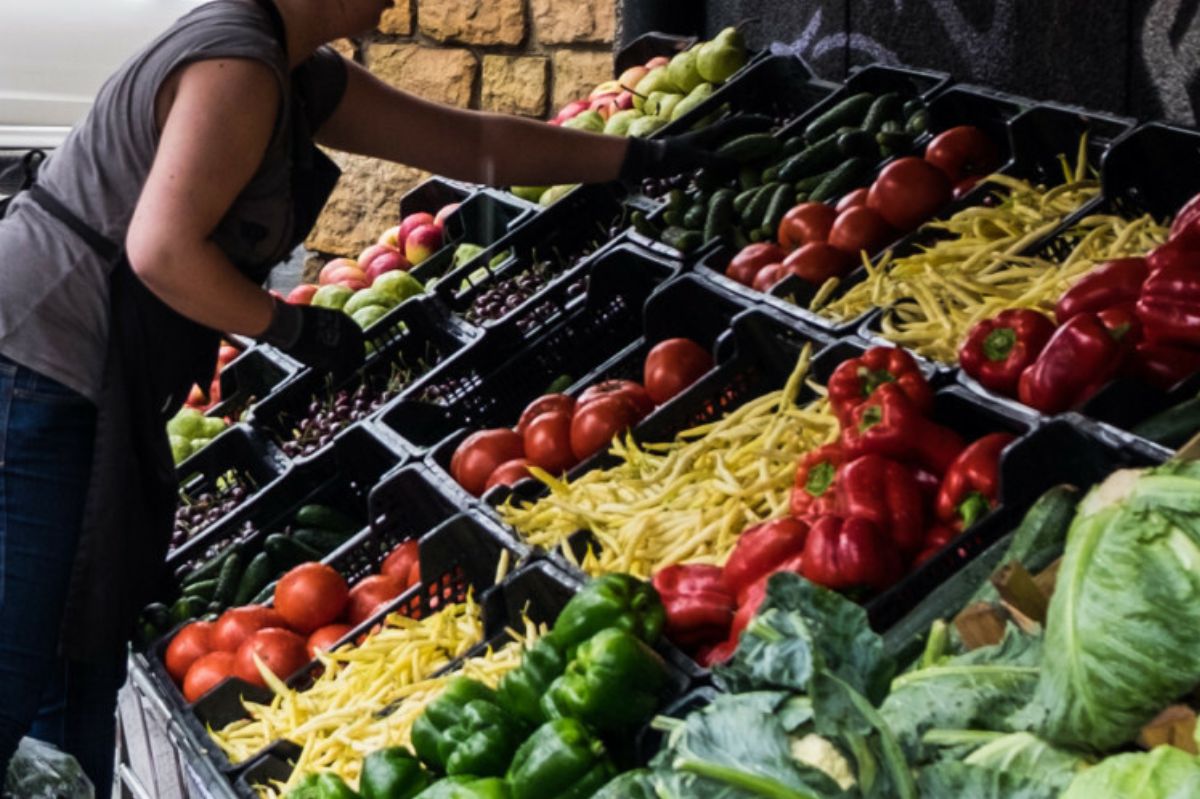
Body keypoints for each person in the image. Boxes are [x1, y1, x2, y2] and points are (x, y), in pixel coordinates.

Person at [0, 0, 752, 794]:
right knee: (20, 659)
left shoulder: (293, 69)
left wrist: (633, 155)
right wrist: (288, 332)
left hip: (86, 367)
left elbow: (473, 143)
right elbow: (161, 251)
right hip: (40, 358)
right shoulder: (240, 67)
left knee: (77, 647)